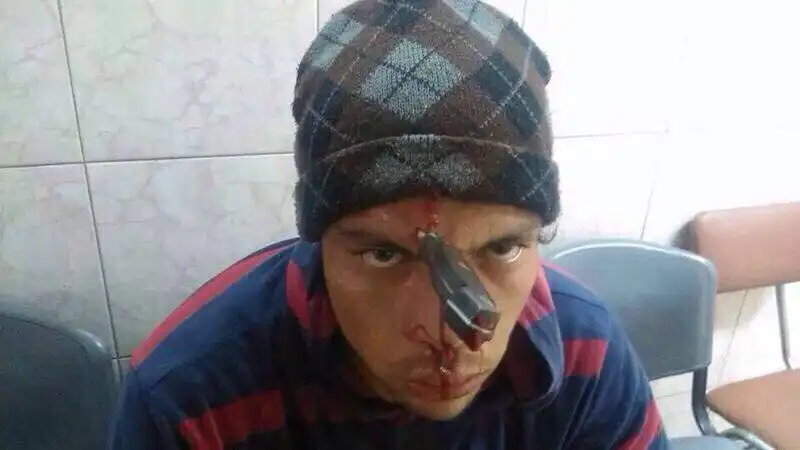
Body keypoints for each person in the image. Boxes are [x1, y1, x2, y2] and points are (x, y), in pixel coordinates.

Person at [108, 0, 669, 448]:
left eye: (502, 247)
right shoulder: (188, 396)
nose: (450, 337)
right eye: (384, 254)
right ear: (320, 242)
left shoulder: (587, 349)